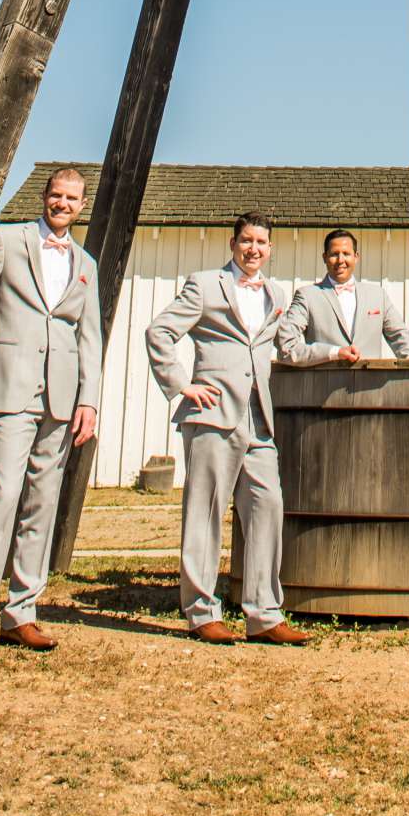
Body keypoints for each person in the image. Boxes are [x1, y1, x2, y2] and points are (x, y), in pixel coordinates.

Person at [0, 164, 101, 664]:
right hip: (13, 387)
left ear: (82, 205)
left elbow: (89, 339)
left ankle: (21, 611)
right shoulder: (8, 241)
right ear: (45, 197)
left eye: (72, 198)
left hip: (61, 396)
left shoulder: (86, 263)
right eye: (57, 195)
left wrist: (90, 400)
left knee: (42, 501)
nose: (63, 204)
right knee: (4, 495)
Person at [144, 209, 307, 645]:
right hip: (214, 416)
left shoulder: (276, 293)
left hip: (259, 419)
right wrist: (182, 385)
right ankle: (201, 612)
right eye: (246, 241)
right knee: (206, 513)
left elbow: (287, 349)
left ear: (270, 250)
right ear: (233, 244)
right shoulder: (204, 285)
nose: (253, 249)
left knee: (267, 507)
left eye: (261, 243)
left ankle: (265, 615)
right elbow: (159, 332)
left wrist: (332, 353)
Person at [276, 227, 409, 363]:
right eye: (334, 254)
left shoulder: (378, 296)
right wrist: (334, 352)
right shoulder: (307, 296)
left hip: (371, 385)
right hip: (325, 384)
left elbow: (402, 339)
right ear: (324, 258)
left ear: (356, 257)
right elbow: (286, 346)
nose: (340, 260)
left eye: (346, 254)